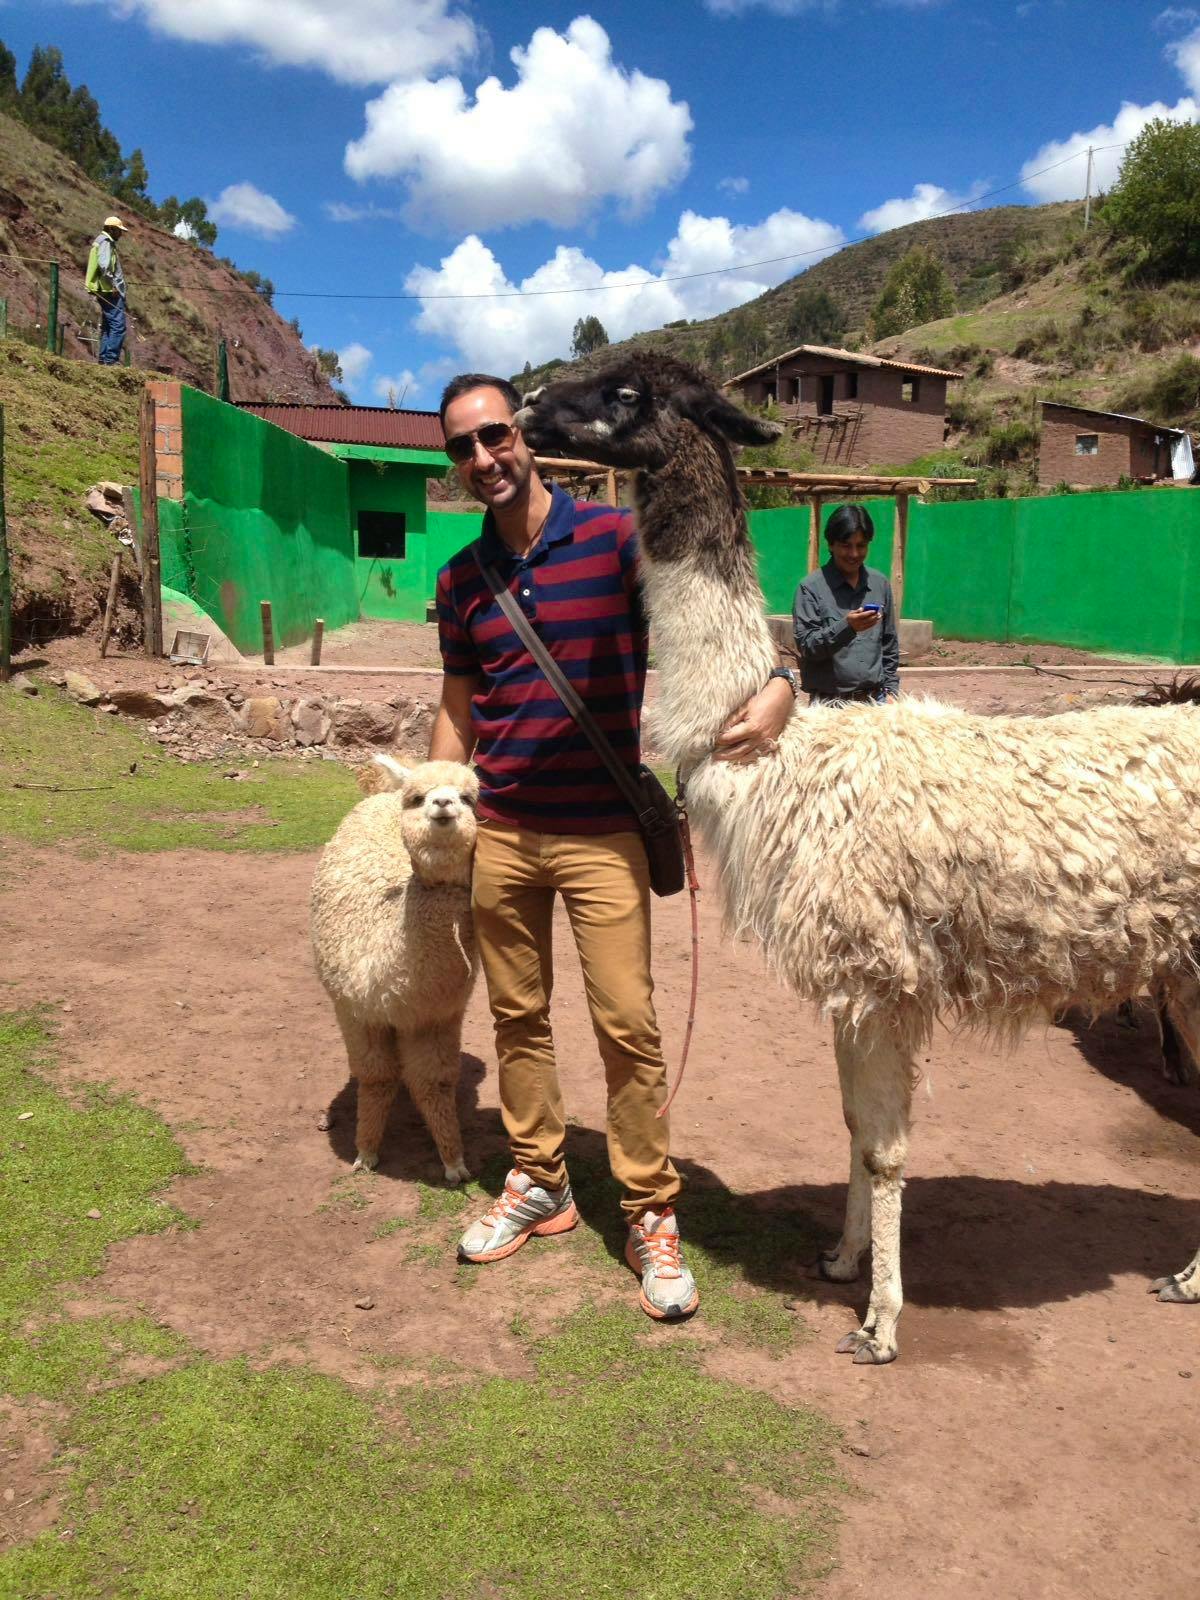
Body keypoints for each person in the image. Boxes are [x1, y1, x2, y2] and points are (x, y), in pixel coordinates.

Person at [430, 372, 796, 1320]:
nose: (483, 459)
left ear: (526, 437)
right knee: (516, 1017)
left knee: (626, 1024)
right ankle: (539, 1177)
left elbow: (710, 608)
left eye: (495, 436)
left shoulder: (616, 541)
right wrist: (434, 814)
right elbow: (456, 711)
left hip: (600, 832)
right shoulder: (459, 580)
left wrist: (783, 675)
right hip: (503, 832)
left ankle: (647, 1207)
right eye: (462, 448)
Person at [793, 503, 900, 704]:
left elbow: (889, 644)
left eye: (861, 545)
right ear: (831, 544)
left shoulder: (879, 584)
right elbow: (808, 647)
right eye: (846, 545)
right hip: (829, 707)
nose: (853, 554)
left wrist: (891, 690)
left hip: (875, 704)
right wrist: (847, 627)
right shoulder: (810, 589)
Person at [85, 215, 129, 366]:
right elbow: (105, 265)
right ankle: (111, 360)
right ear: (111, 229)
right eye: (119, 230)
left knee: (109, 326)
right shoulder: (105, 242)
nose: (121, 234)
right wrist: (114, 285)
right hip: (108, 289)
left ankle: (104, 359)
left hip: (104, 288)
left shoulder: (101, 242)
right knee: (118, 325)